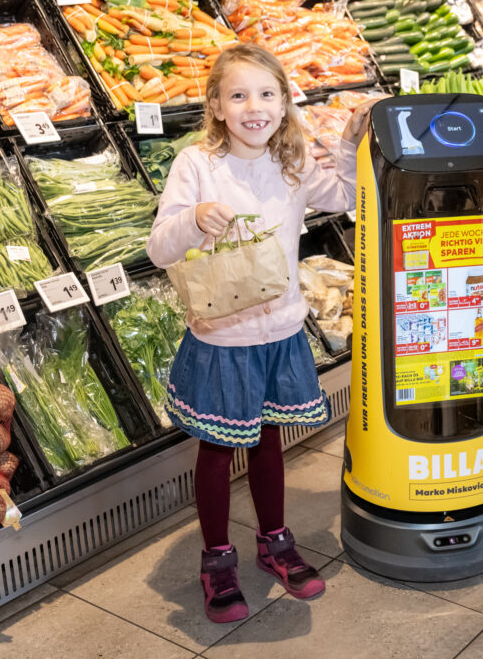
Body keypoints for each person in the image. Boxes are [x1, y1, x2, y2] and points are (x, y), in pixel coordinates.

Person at [147, 44, 372, 623]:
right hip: (222, 335)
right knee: (220, 447)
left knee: (272, 439)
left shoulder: (292, 163)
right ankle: (216, 559)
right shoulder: (196, 165)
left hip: (280, 329)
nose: (255, 107)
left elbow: (345, 198)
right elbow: (158, 248)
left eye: (267, 94)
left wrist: (348, 143)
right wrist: (192, 219)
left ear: (284, 102)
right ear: (217, 106)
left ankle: (275, 540)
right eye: (239, 95)